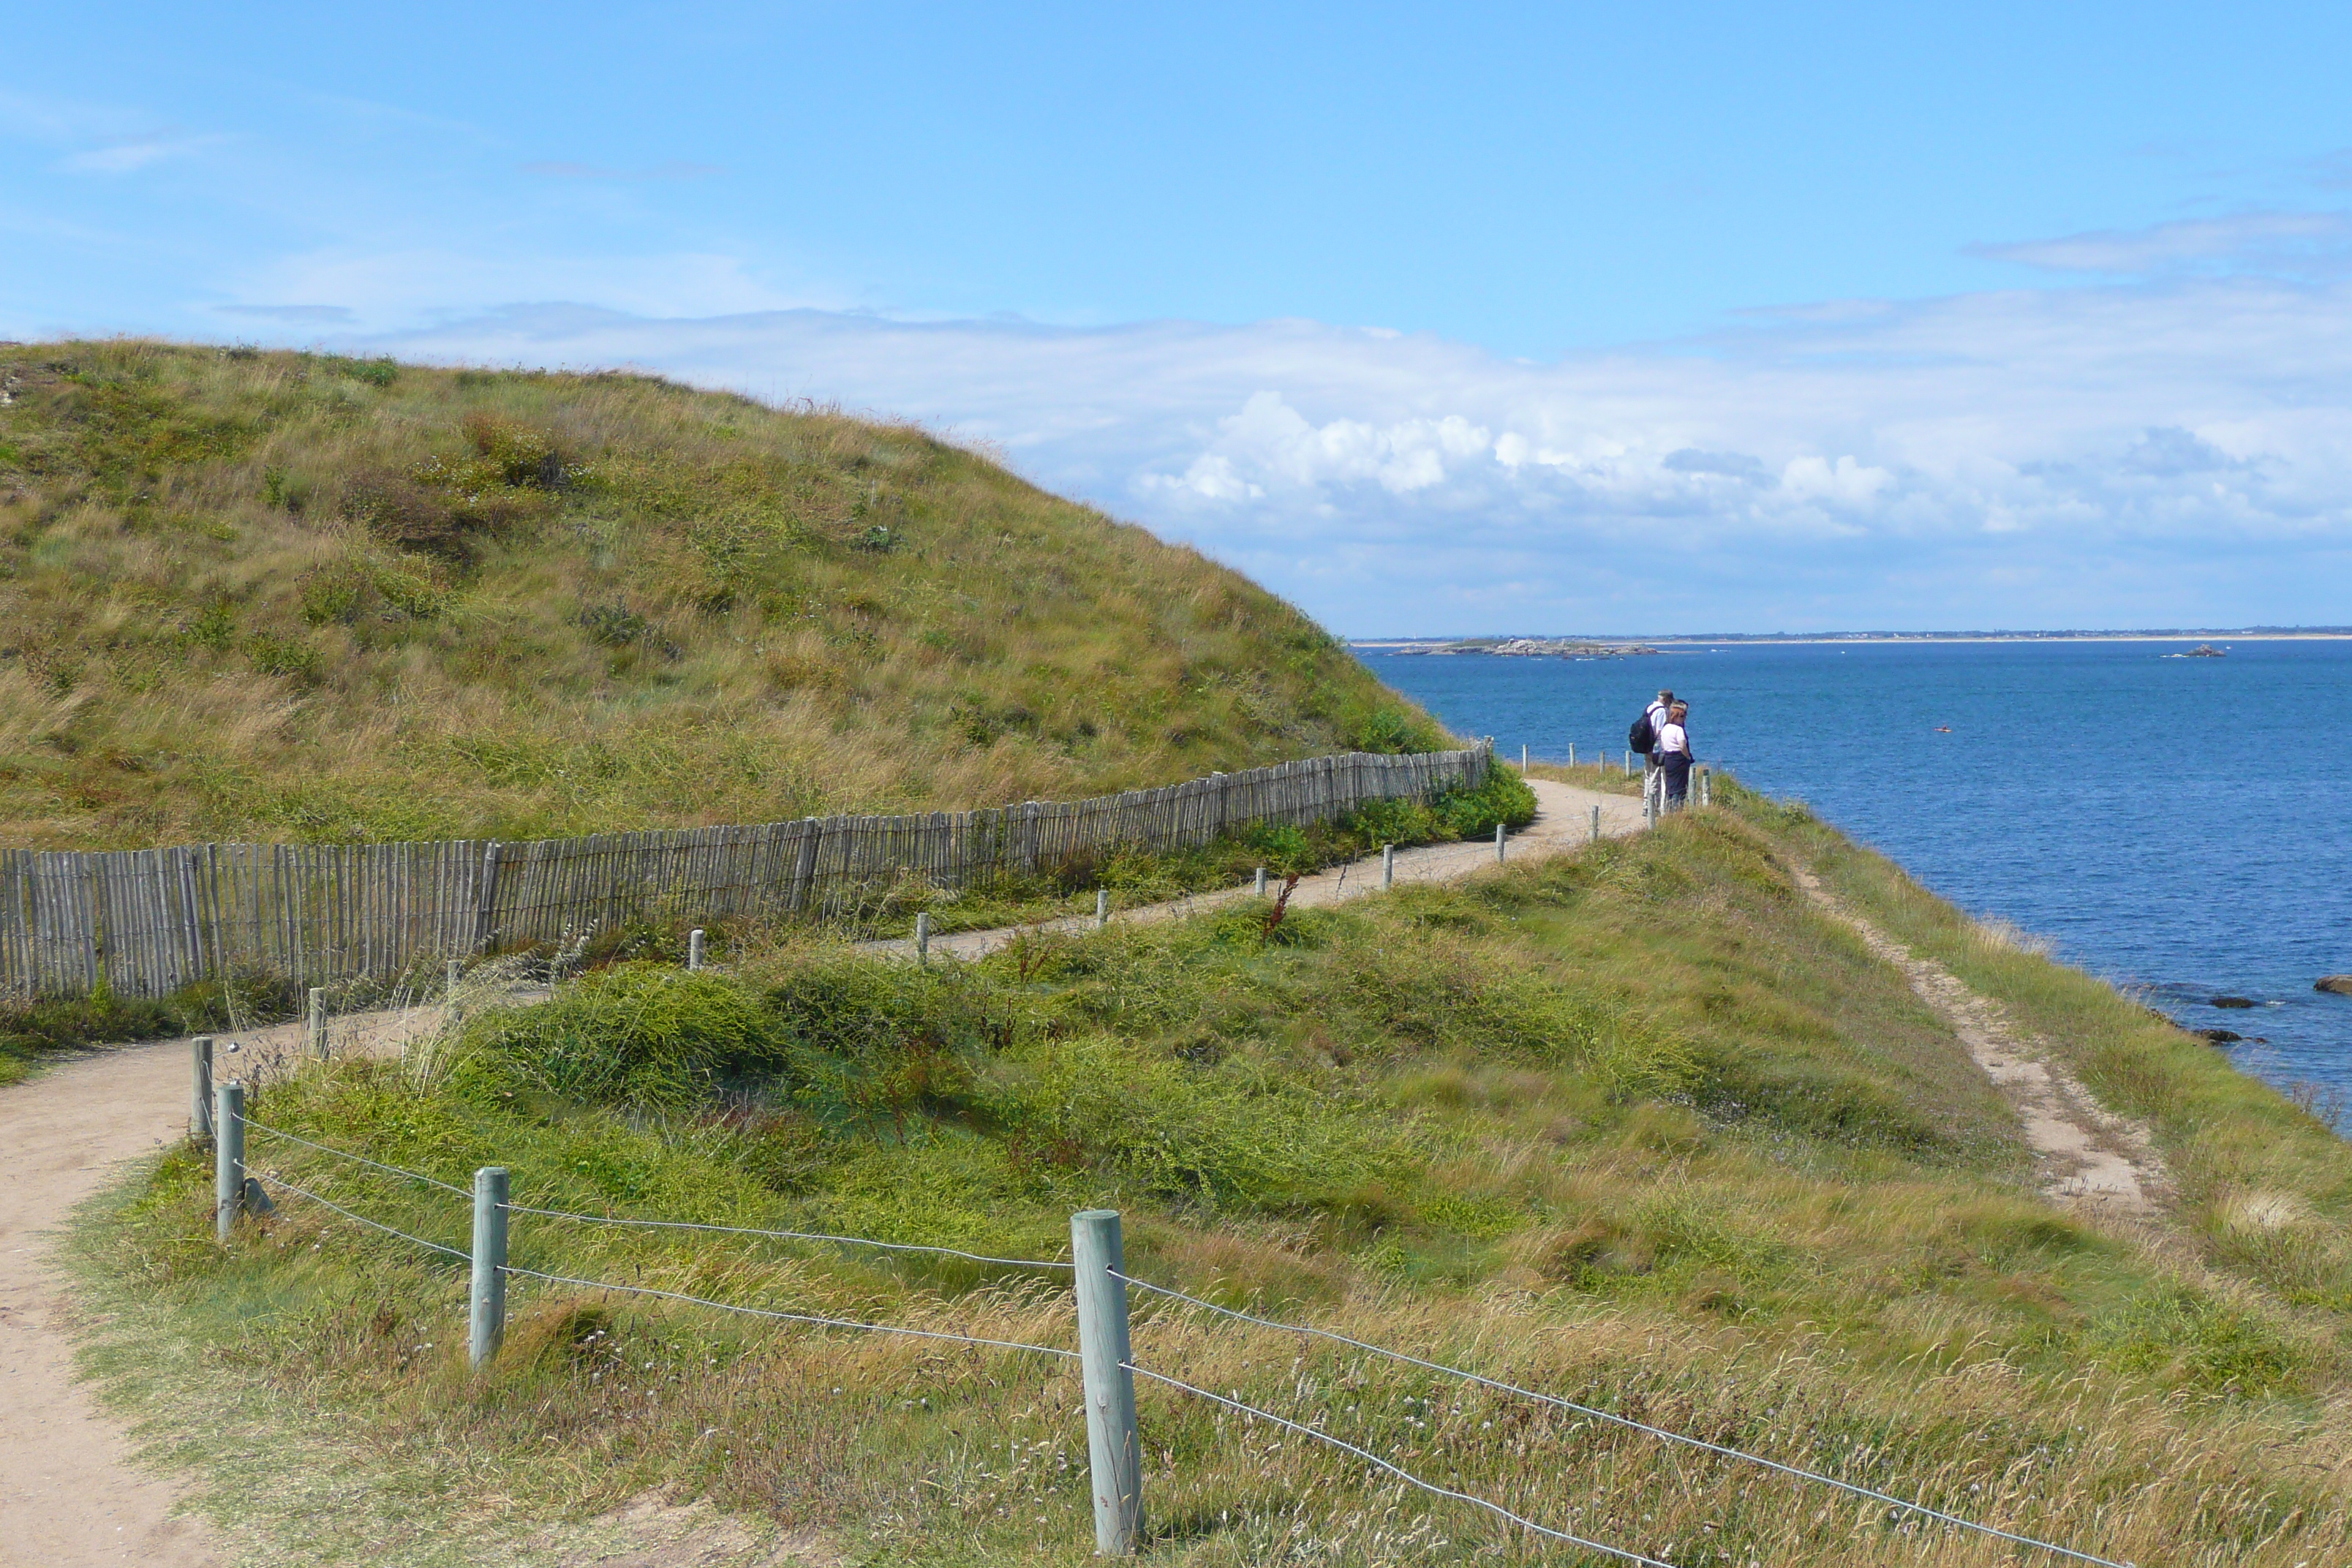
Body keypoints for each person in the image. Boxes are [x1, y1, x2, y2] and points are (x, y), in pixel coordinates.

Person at [1654, 701, 1695, 810]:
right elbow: (1682, 746)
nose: (1684, 718)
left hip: (1668, 758)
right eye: (1682, 716)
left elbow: (1662, 744)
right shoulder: (1678, 730)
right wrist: (1688, 757)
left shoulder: (1665, 728)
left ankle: (1669, 808)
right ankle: (1677, 810)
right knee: (1680, 787)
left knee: (1670, 786)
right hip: (1679, 759)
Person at [1641, 690, 1673, 814]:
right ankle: (1652, 807)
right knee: (1655, 777)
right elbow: (1659, 732)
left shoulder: (1650, 708)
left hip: (1646, 746)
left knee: (1648, 776)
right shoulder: (1661, 711)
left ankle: (1646, 803)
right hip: (1655, 749)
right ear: (1666, 700)